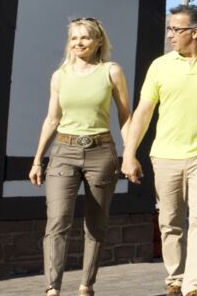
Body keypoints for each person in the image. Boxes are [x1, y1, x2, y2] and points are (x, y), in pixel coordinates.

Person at [121, 4, 197, 296]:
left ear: (196, 32)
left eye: (175, 30)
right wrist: (129, 154)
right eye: (169, 29)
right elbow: (143, 113)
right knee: (169, 222)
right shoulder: (160, 66)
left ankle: (195, 286)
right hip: (164, 155)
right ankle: (176, 279)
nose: (169, 36)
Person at [29, 17, 131, 296]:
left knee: (96, 223)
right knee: (58, 220)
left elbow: (125, 117)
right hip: (63, 151)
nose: (78, 43)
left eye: (85, 38)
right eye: (74, 39)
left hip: (101, 151)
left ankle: (86, 285)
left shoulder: (111, 71)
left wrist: (130, 154)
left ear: (99, 41)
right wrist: (38, 158)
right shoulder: (60, 75)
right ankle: (52, 288)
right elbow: (52, 119)